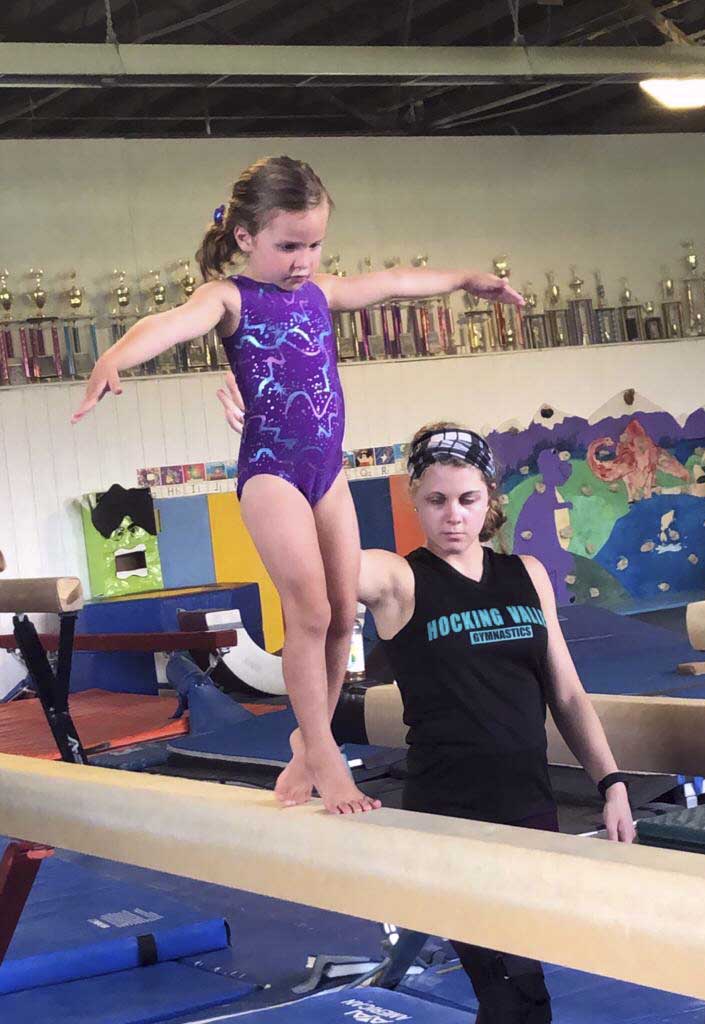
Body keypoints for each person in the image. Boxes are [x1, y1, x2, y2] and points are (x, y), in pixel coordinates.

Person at [71, 154, 524, 816]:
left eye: (314, 244)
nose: (304, 259)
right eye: (289, 245)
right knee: (309, 612)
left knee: (345, 613)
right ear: (246, 237)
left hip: (327, 471)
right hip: (272, 473)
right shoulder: (228, 298)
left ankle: (306, 749)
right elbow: (168, 325)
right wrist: (115, 356)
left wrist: (466, 279)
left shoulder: (319, 291)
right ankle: (329, 760)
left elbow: (394, 281)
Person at [219, 381, 635, 1023]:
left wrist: (610, 782)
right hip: (448, 816)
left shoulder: (528, 575)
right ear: (414, 499)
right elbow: (315, 564)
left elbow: (568, 693)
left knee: (523, 989)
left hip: (531, 811)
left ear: (490, 499)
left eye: (468, 499)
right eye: (436, 500)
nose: (453, 515)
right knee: (517, 997)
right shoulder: (397, 578)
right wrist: (270, 453)